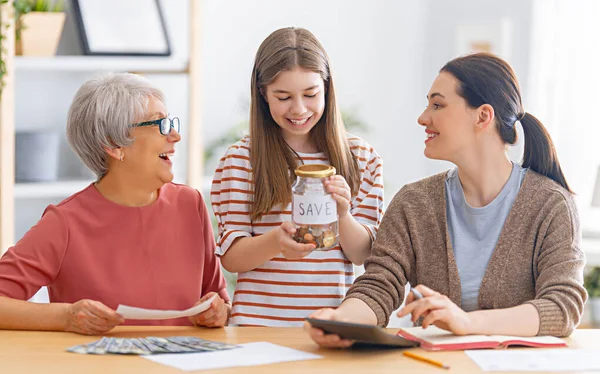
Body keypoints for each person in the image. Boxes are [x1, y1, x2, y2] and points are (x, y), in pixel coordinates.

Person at [307, 52, 587, 347]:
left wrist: (468, 323)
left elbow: (562, 306)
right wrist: (341, 321)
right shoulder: (414, 203)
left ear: (483, 116)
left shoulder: (550, 204)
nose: (422, 117)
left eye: (437, 105)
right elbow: (379, 284)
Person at [0, 73, 230, 335]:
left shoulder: (190, 204)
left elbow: (218, 298)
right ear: (114, 145)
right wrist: (66, 317)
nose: (175, 135)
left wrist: (217, 311)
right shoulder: (65, 223)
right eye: (161, 124)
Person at [211, 27, 384, 326]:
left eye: (310, 94)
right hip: (257, 328)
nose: (299, 108)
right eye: (284, 97)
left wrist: (343, 214)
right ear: (263, 93)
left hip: (330, 327)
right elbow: (231, 258)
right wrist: (277, 241)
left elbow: (363, 255)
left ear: (327, 88)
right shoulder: (240, 159)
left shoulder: (361, 157)